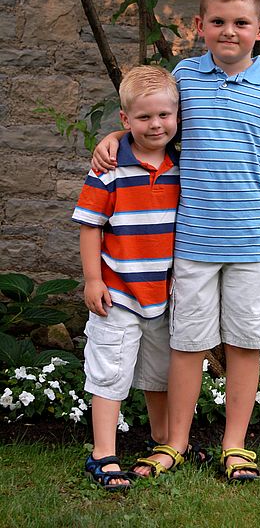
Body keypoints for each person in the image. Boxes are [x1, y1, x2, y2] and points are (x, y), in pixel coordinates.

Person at [92, 0, 260, 483]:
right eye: (217, 21)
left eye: (240, 22)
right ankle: (176, 442)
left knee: (243, 344)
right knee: (187, 343)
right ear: (198, 26)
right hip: (191, 242)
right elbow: (155, 122)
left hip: (254, 243)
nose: (228, 30)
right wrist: (114, 133)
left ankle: (235, 445)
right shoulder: (186, 79)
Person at [72, 65, 182, 491]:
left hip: (164, 294)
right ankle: (103, 453)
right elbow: (90, 226)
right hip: (116, 292)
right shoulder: (109, 168)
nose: (155, 125)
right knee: (109, 372)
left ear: (176, 115)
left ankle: (164, 442)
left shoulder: (183, 164)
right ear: (124, 120)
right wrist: (92, 279)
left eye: (164, 116)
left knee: (161, 374)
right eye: (143, 118)